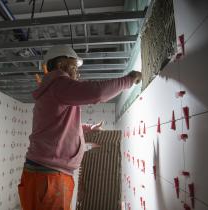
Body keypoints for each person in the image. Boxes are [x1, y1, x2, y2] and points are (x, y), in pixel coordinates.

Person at [18, 45, 142, 210]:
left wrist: (88, 129)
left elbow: (58, 127)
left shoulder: (53, 90)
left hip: (45, 175)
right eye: (74, 66)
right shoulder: (59, 84)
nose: (77, 72)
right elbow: (98, 93)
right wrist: (129, 79)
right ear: (61, 66)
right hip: (49, 178)